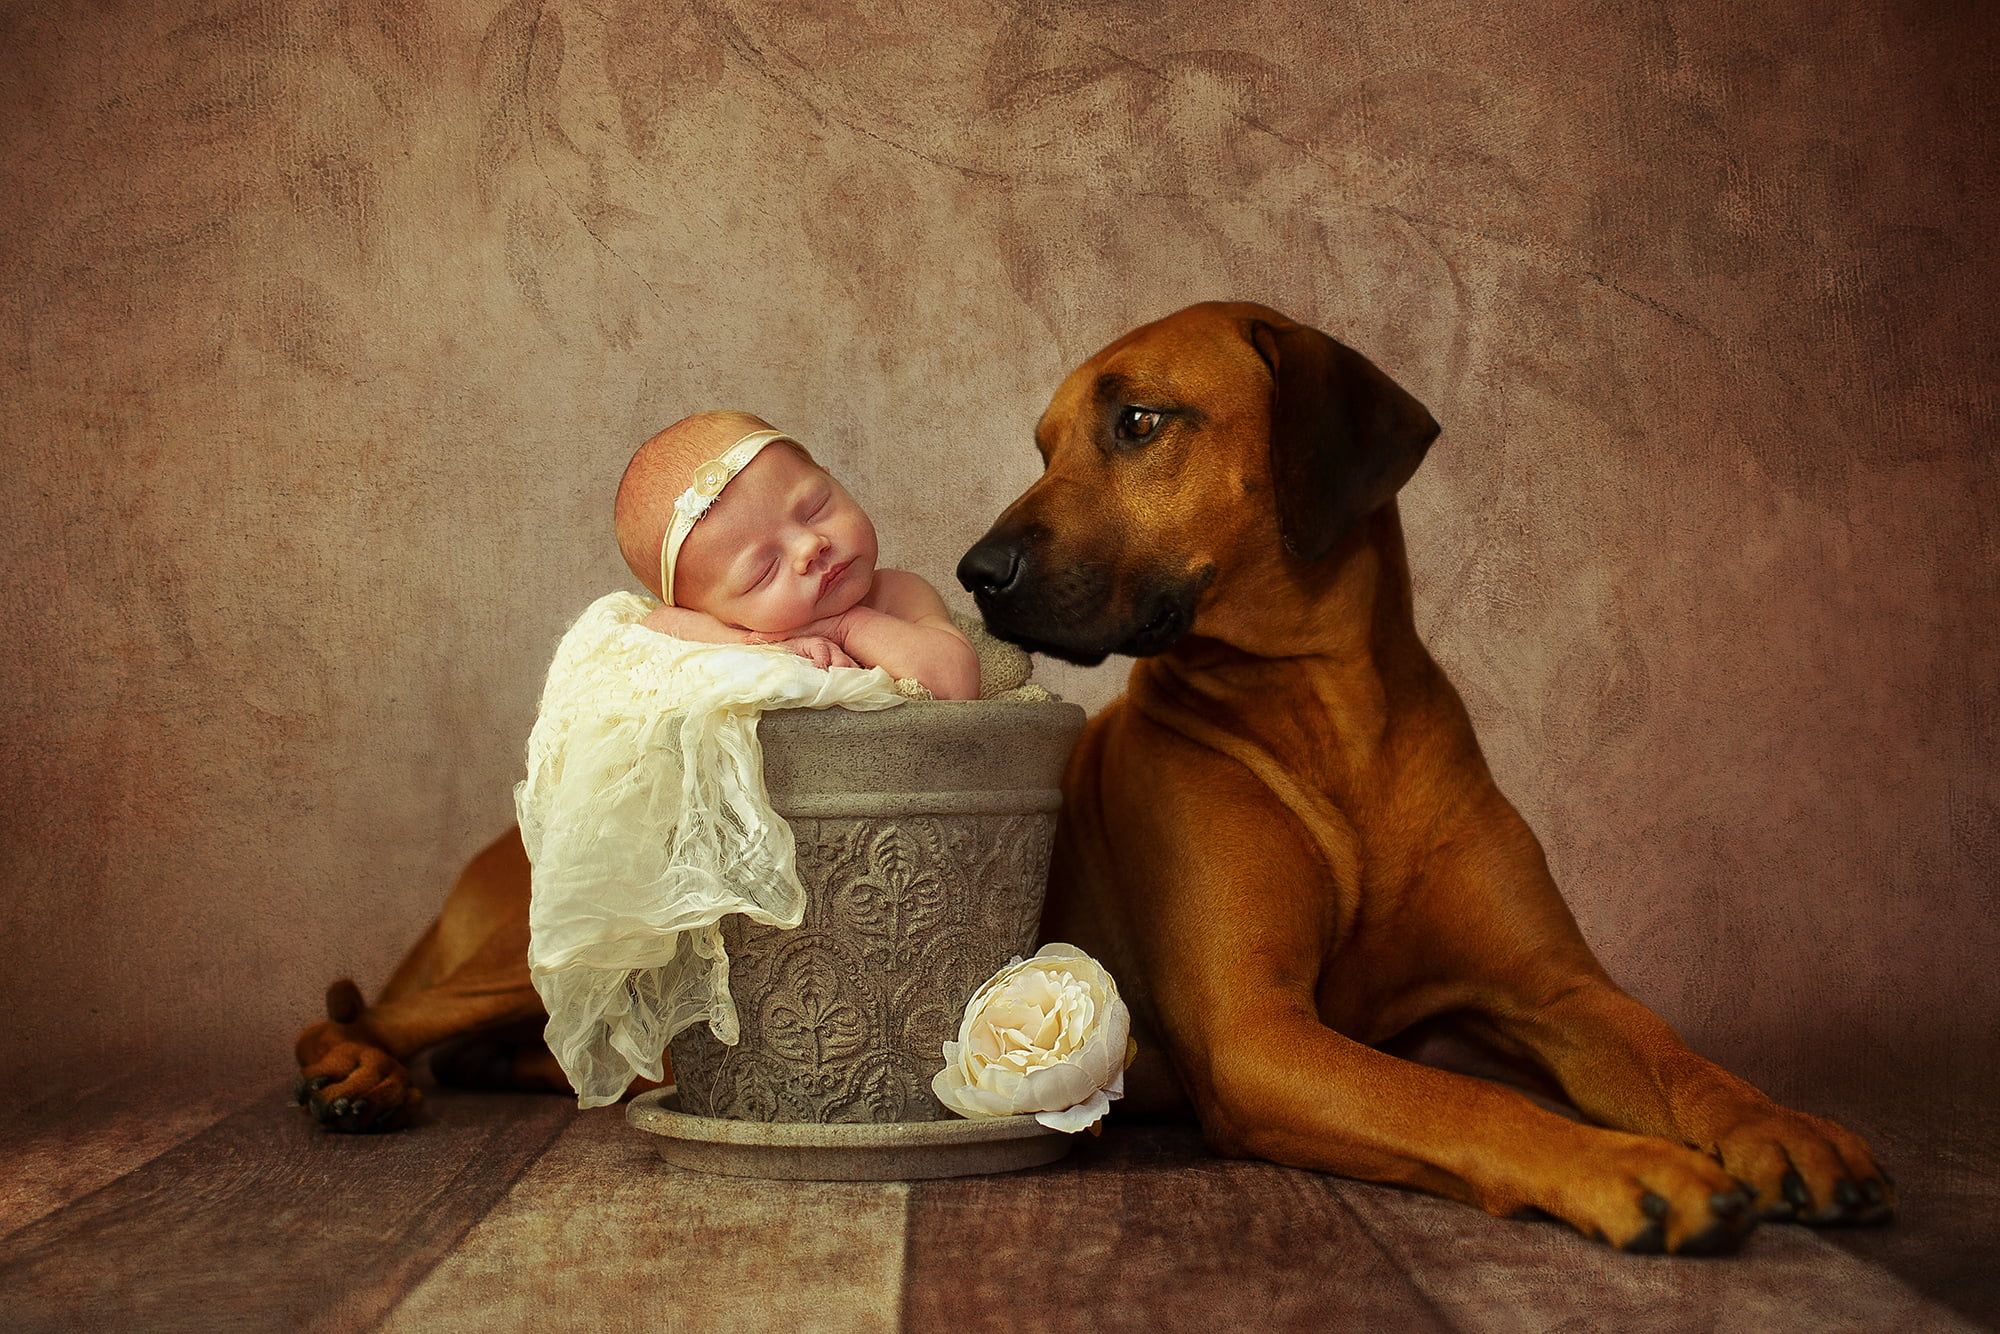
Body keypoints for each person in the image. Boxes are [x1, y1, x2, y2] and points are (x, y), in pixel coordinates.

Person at [613, 410, 982, 701]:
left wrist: (846, 626)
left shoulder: (895, 594)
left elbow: (958, 681)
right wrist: (764, 643)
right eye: (764, 571)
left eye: (815, 508)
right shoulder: (730, 632)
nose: (810, 546)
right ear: (705, 611)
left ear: (832, 479)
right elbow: (654, 628)